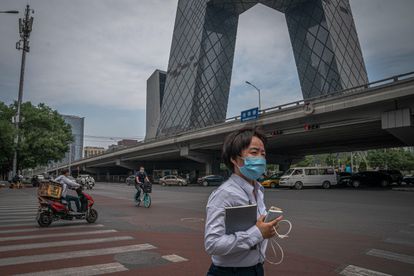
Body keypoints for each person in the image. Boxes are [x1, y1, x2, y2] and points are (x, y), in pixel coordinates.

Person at [204, 127, 282, 276]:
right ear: (234, 159)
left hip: (257, 269)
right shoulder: (225, 194)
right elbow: (212, 244)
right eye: (254, 152)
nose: (260, 158)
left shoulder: (258, 190)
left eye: (263, 154)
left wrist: (267, 228)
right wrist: (258, 233)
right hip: (230, 273)